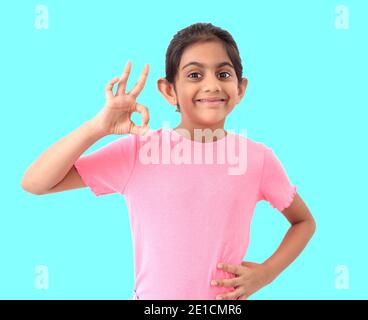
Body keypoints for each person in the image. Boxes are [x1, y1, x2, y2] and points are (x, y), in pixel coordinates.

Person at [21, 22, 316, 300]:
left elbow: (303, 222)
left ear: (240, 88)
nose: (212, 85)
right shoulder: (139, 151)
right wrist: (97, 127)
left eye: (223, 74)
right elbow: (36, 183)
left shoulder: (257, 158)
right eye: (194, 75)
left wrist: (266, 273)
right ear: (168, 90)